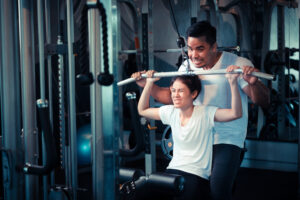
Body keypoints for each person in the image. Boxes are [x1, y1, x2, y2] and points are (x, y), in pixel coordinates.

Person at [132, 21, 270, 200]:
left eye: (200, 49)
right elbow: (172, 96)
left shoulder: (237, 63)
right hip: (199, 137)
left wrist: (254, 83)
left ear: (214, 47)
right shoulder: (187, 66)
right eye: (190, 49)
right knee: (192, 190)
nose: (193, 55)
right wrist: (147, 86)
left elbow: (264, 101)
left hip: (227, 137)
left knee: (218, 190)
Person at [137, 67, 242, 200]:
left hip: (196, 176)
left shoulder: (205, 113)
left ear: (193, 94)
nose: (175, 95)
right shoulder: (171, 112)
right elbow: (142, 110)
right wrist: (149, 83)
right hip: (172, 171)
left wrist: (233, 82)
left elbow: (236, 113)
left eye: (181, 91)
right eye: (173, 90)